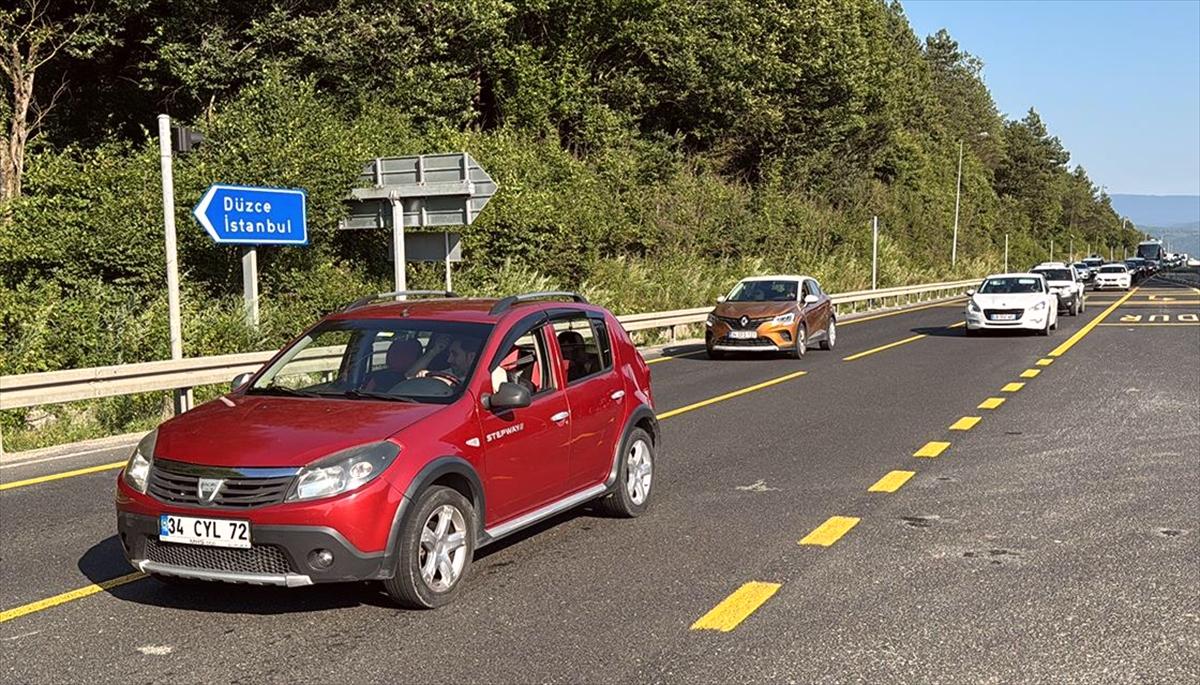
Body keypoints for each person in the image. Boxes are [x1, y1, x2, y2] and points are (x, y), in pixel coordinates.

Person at [409, 334, 481, 386]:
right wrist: (434, 351)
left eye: (455, 354)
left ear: (471, 357)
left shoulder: (481, 379)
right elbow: (409, 377)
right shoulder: (448, 373)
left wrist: (448, 383)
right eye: (449, 354)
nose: (449, 360)